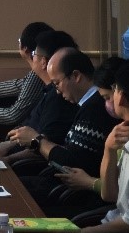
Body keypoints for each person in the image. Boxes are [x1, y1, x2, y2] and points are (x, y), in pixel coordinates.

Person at [17, 48, 119, 216]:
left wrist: (38, 141)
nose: (57, 91)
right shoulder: (84, 105)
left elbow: (73, 163)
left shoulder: (95, 108)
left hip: (81, 198)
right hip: (65, 188)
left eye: (57, 83)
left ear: (76, 76)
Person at [64, 60, 129, 233]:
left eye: (112, 92)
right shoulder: (119, 134)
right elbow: (110, 194)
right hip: (112, 220)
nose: (109, 101)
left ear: (121, 96)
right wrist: (109, 149)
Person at [0, 30, 79, 163]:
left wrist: (6, 160)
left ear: (44, 62)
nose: (31, 57)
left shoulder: (59, 97)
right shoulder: (49, 91)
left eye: (34, 53)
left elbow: (44, 146)